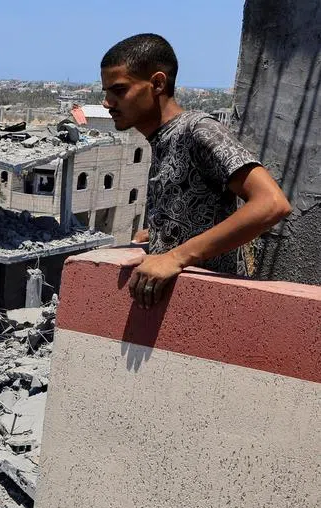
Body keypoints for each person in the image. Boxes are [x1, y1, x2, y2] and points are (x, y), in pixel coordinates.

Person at [100, 33, 291, 307]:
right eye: (105, 92)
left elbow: (272, 204)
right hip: (183, 310)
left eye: (118, 91)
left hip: (214, 308)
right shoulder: (163, 138)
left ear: (157, 83)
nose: (107, 103)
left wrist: (175, 257)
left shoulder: (198, 129)